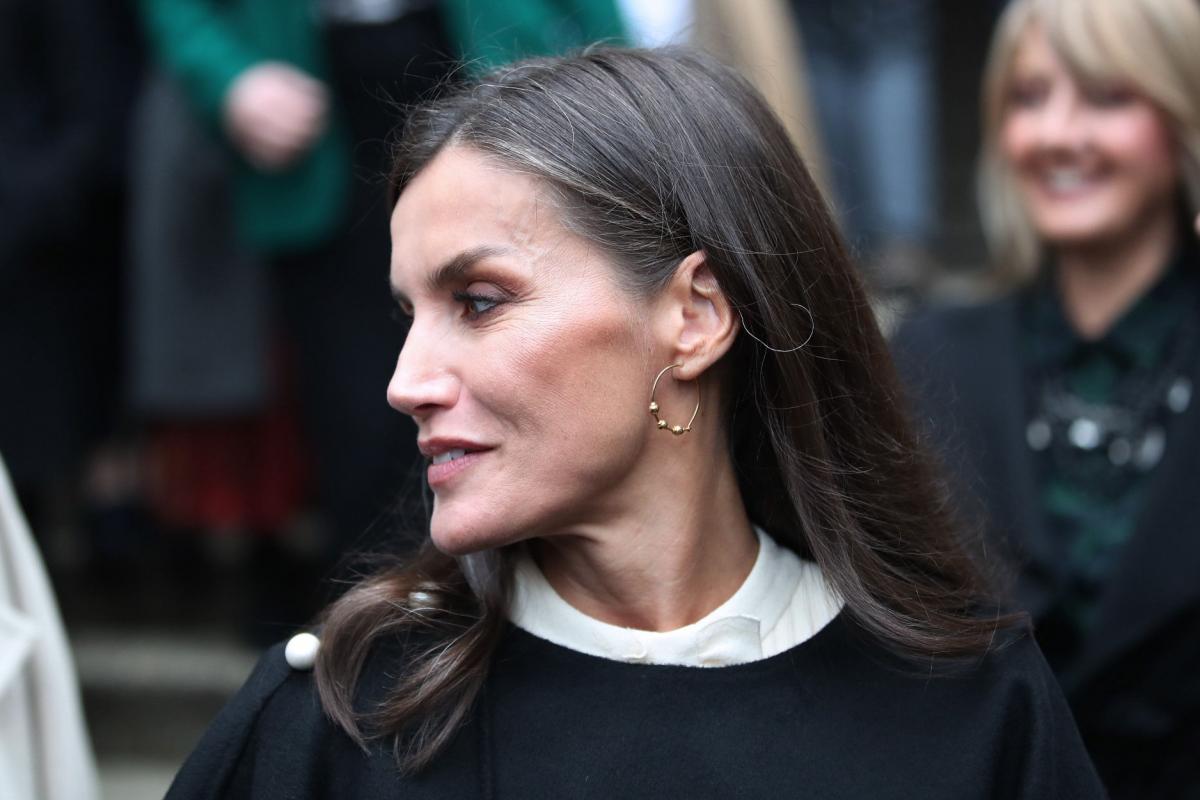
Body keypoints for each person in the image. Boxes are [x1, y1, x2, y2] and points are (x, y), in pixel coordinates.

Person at [165, 48, 1104, 799]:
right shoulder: (336, 720)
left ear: (694, 316)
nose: (406, 383)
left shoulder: (970, 710)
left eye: (479, 302)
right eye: (409, 316)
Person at [892, 0, 1200, 796]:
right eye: (1029, 98)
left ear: (1184, 113)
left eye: (1107, 97)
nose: (1058, 134)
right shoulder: (927, 357)